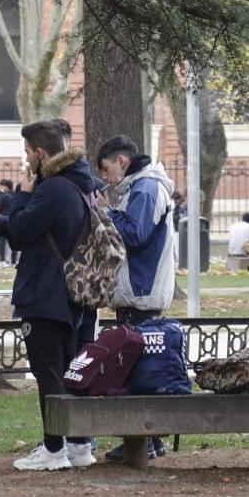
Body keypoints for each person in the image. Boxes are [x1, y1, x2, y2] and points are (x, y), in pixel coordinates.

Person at [0, 120, 95, 471]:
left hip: (45, 291)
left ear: (41, 153)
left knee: (48, 371)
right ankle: (79, 443)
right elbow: (37, 228)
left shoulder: (52, 189)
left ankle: (54, 448)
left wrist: (22, 195)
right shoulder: (81, 184)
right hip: (71, 292)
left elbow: (23, 233)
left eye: (27, 153)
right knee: (69, 369)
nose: (26, 160)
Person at [92, 135, 178, 463]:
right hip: (137, 290)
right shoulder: (140, 188)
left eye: (106, 168)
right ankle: (147, 439)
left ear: (122, 162)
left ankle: (145, 440)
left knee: (138, 368)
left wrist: (105, 211)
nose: (105, 177)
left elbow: (135, 235)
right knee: (137, 368)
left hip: (141, 291)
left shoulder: (146, 189)